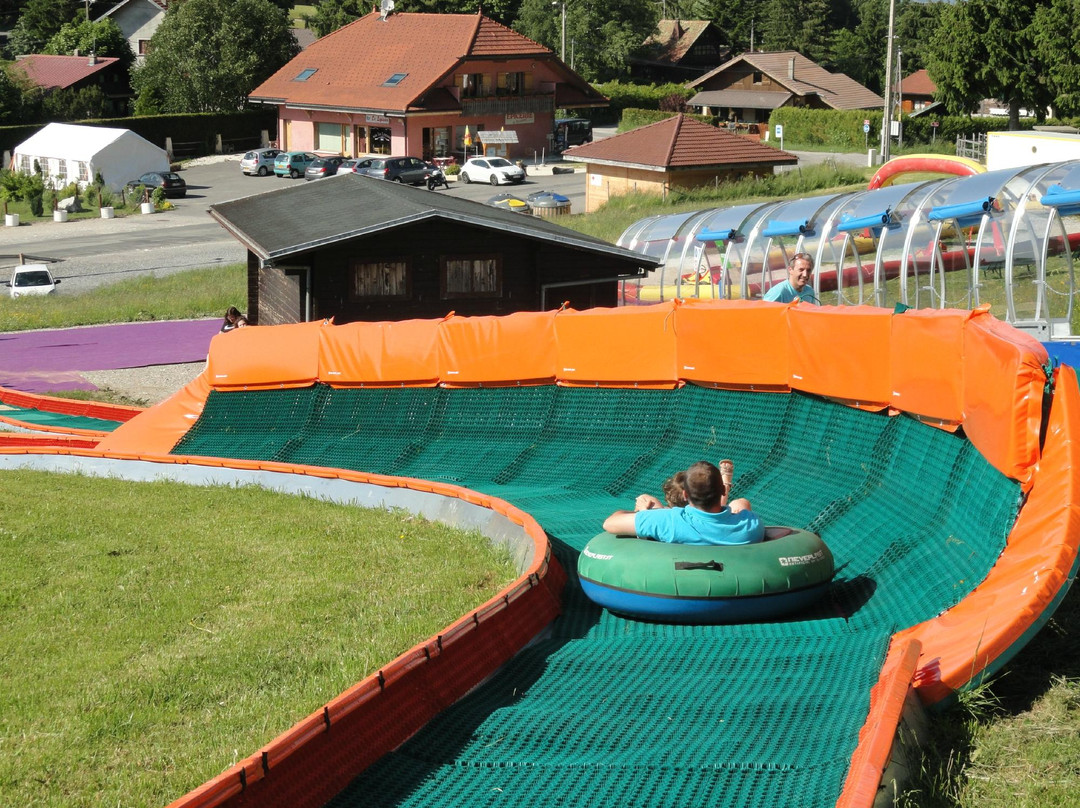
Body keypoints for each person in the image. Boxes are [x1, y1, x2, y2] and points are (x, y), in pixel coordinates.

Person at [604, 461, 764, 546]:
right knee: (741, 503)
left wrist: (642, 513)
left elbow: (610, 523)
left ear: (685, 495)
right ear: (722, 490)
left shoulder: (667, 520)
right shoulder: (751, 525)